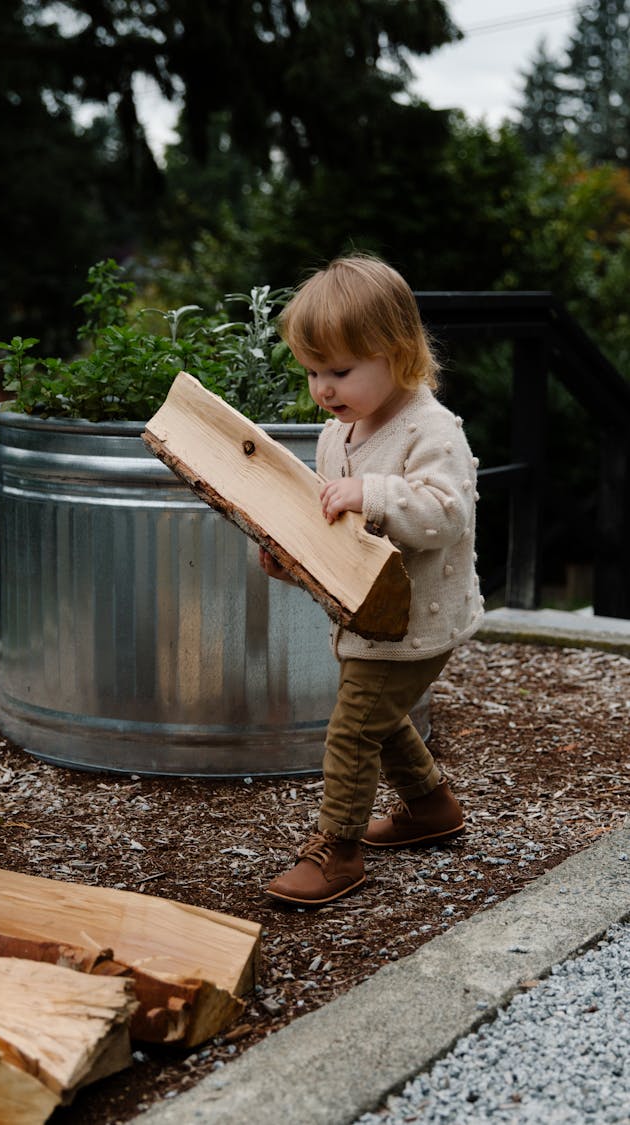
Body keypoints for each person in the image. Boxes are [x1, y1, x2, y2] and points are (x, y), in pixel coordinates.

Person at [259, 252, 484, 906]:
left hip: (418, 618)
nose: (323, 388)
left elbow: (447, 512)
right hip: (366, 609)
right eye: (312, 372)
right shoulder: (339, 433)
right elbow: (341, 531)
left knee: (354, 725)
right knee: (380, 716)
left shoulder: (430, 429)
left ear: (398, 353)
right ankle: (430, 805)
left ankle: (340, 849)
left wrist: (372, 493)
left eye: (339, 370)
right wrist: (294, 558)